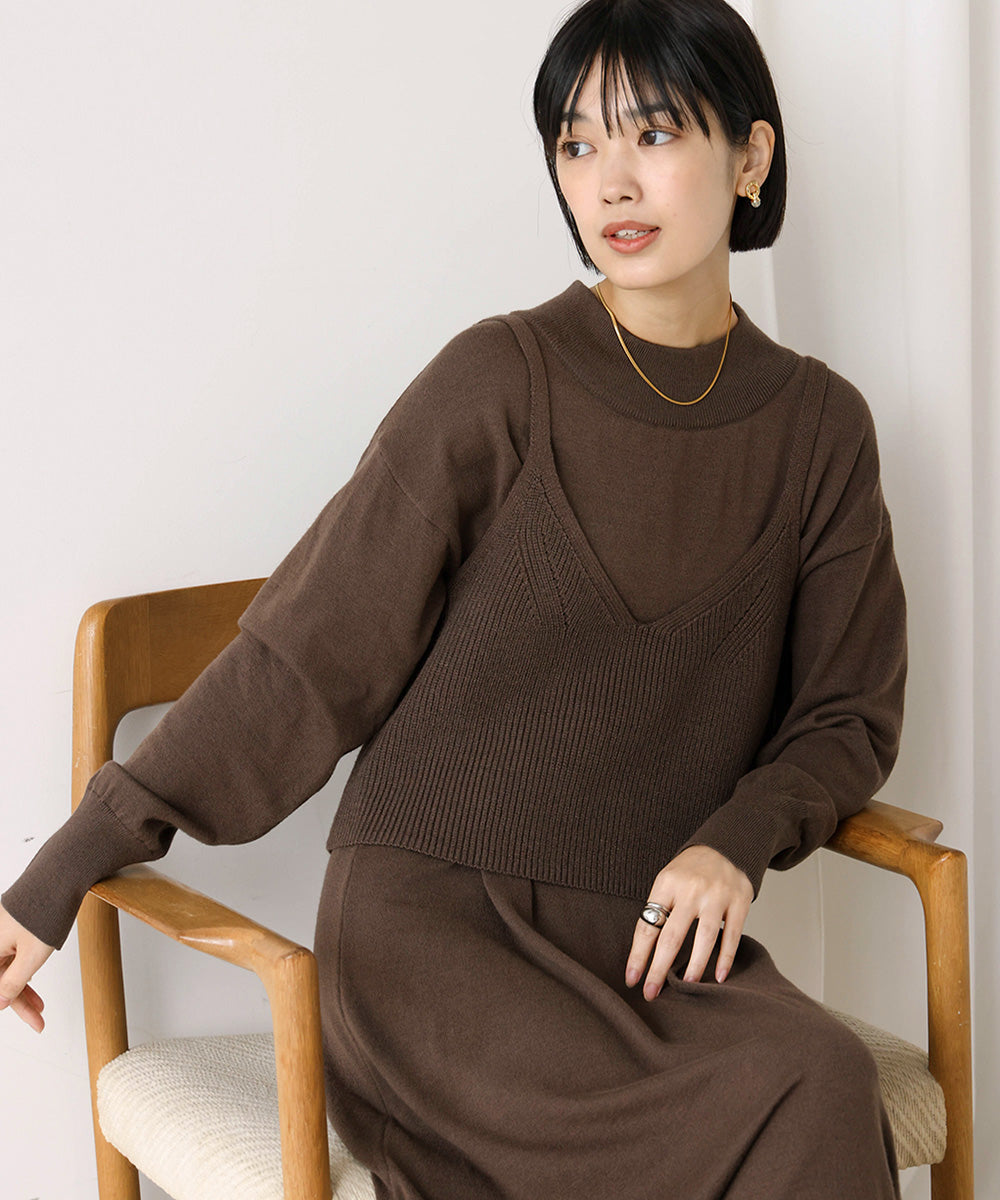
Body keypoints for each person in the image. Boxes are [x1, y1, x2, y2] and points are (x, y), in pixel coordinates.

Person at [1, 1, 907, 1196]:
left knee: (815, 1080)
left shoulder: (820, 429)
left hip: (650, 949)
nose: (611, 181)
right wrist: (67, 867)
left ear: (749, 156)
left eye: (653, 134)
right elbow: (303, 661)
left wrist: (735, 843)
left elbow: (846, 714)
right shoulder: (500, 380)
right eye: (576, 143)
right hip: (433, 945)